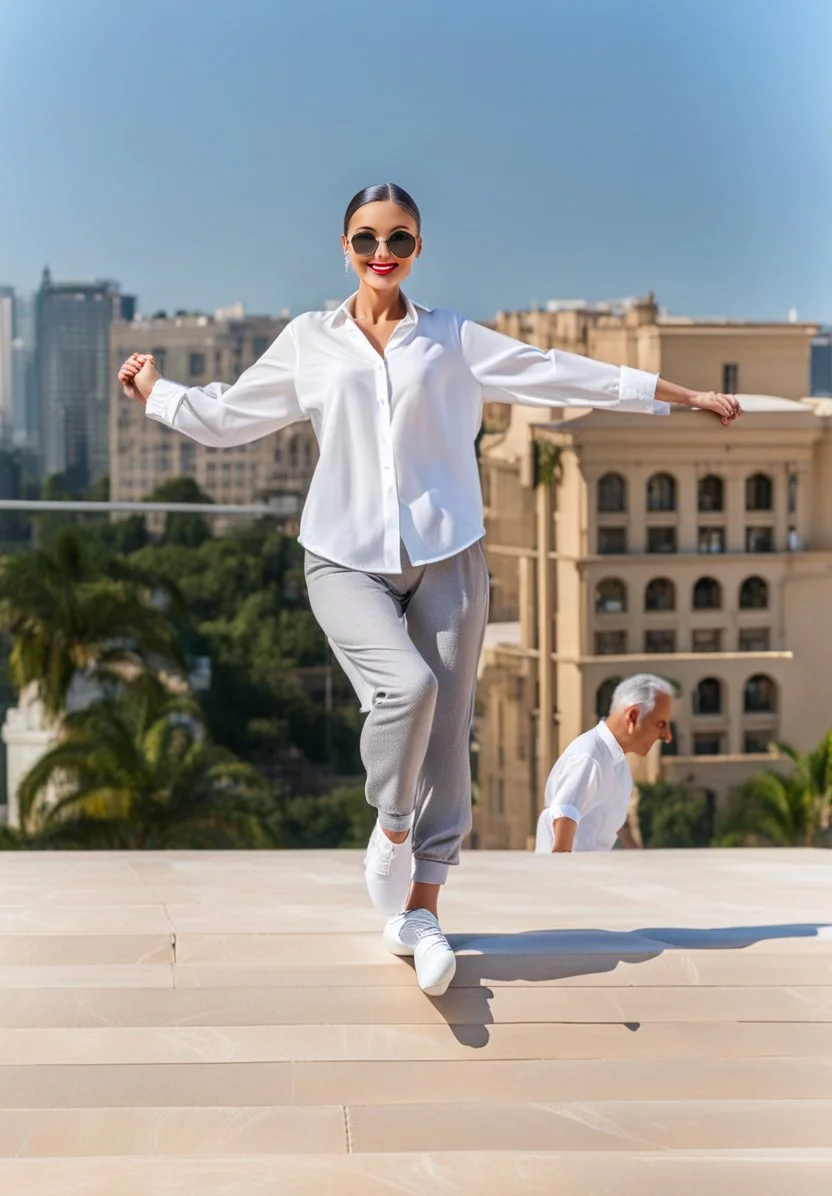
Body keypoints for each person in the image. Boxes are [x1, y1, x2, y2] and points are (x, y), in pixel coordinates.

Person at [117, 182, 741, 997]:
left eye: (400, 240)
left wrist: (681, 398)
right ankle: (393, 823)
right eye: (368, 239)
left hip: (448, 557)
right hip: (342, 557)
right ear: (345, 247)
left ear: (417, 250)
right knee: (404, 690)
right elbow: (231, 416)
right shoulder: (311, 340)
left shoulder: (450, 340)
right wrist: (157, 392)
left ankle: (422, 909)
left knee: (450, 727)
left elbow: (559, 373)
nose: (384, 253)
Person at [535, 674, 675, 854]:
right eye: (661, 724)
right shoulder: (590, 757)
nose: (667, 736)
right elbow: (562, 828)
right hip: (569, 878)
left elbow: (620, 828)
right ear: (632, 716)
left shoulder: (619, 764)